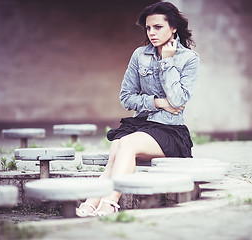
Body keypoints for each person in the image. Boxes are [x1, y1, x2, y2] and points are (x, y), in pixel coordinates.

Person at [76, 1, 199, 217]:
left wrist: (167, 62)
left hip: (169, 130)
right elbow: (126, 97)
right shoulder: (139, 55)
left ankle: (110, 203)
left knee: (127, 144)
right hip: (141, 124)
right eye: (148, 28)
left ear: (174, 27)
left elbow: (178, 100)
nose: (151, 33)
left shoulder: (189, 59)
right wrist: (158, 103)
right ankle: (94, 201)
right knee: (117, 150)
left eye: (158, 27)